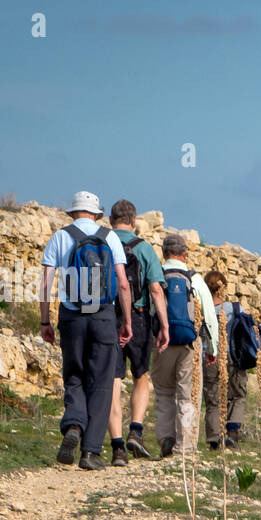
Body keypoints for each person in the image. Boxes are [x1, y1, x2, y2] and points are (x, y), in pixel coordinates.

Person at [39, 190, 132, 470]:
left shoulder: (60, 237)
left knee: (74, 375)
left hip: (72, 317)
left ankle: (74, 425)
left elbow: (45, 284)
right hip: (103, 316)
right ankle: (91, 452)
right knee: (102, 383)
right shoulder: (110, 237)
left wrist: (45, 321)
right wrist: (125, 321)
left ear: (72, 212)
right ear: (97, 214)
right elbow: (123, 284)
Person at [106, 199, 168, 465]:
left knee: (113, 380)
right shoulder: (144, 249)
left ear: (111, 220)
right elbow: (155, 289)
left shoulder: (103, 243)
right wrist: (164, 325)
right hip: (140, 318)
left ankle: (117, 446)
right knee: (141, 375)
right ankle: (136, 430)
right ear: (133, 222)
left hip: (108, 316)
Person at [151, 233, 218, 457]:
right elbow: (209, 315)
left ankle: (166, 438)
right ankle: (185, 445)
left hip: (161, 340)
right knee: (187, 394)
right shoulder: (194, 279)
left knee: (163, 392)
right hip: (190, 342)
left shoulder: (156, 274)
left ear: (163, 252)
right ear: (185, 253)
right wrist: (213, 348)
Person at [201, 271, 251, 449]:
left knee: (213, 399)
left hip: (209, 357)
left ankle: (214, 438)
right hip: (234, 356)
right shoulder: (237, 309)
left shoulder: (203, 311)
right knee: (238, 395)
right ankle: (232, 432)